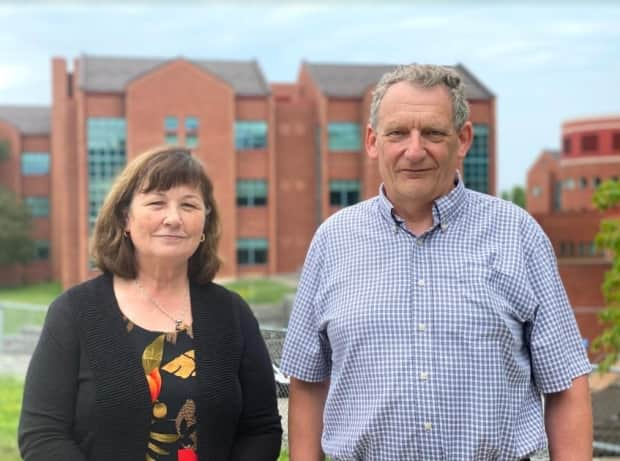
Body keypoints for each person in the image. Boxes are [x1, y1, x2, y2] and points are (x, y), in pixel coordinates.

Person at [281, 64, 593, 461]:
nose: (414, 150)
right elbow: (307, 383)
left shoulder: (518, 235)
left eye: (432, 133)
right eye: (397, 133)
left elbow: (565, 383)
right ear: (373, 141)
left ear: (462, 139)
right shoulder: (332, 241)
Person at [19, 146, 282, 461]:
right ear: (125, 219)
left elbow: (261, 429)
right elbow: (42, 434)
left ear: (204, 223)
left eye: (188, 205)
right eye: (157, 203)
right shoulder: (74, 312)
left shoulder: (232, 314)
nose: (173, 218)